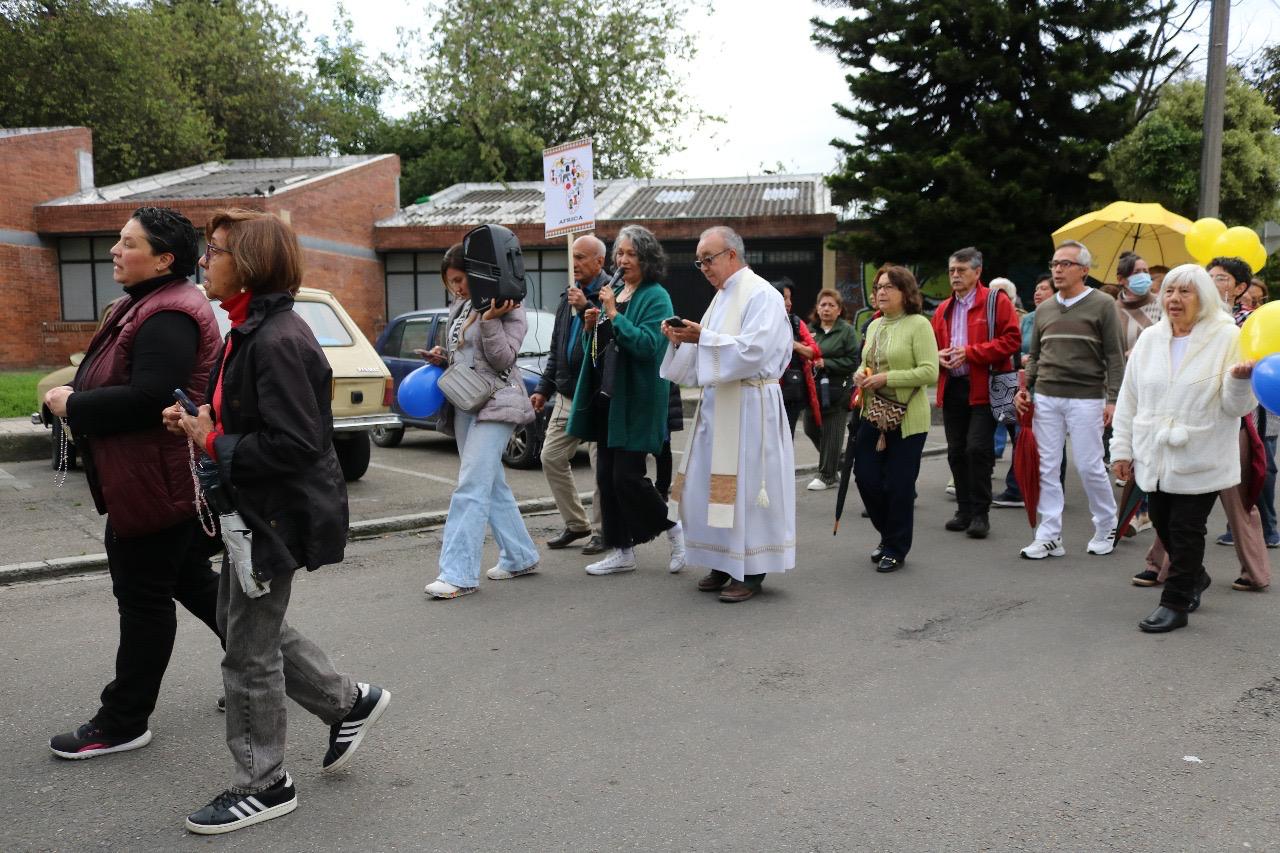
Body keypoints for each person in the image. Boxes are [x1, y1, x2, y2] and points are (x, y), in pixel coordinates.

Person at [169, 209, 389, 833]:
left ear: (251, 264)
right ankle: (347, 701)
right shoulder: (246, 329)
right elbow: (245, 416)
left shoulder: (278, 339)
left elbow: (296, 444)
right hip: (253, 510)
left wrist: (212, 441)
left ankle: (264, 783)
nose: (204, 262)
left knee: (248, 653)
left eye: (215, 251)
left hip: (274, 517)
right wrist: (198, 419)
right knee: (240, 624)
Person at [45, 208, 224, 761]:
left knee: (144, 599)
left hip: (155, 485)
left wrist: (73, 404)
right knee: (195, 585)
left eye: (128, 243)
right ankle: (285, 671)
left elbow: (151, 398)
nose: (114, 251)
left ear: (164, 258)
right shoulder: (146, 301)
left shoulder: (169, 313)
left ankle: (123, 721)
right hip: (153, 479)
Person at [1110, 263, 1256, 632]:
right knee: (1163, 523)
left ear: (1203, 297)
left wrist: (1241, 381)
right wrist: (1121, 450)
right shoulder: (1151, 338)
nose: (1174, 298)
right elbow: (1129, 398)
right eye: (1170, 291)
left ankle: (1174, 603)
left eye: (1185, 291)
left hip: (1202, 454)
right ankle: (1195, 576)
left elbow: (1237, 408)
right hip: (1154, 454)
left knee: (1186, 528)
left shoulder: (1227, 337)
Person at [660, 225, 795, 602]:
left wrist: (702, 338)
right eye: (699, 262)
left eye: (708, 259)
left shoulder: (762, 294)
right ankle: (721, 560)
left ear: (732, 255)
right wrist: (682, 341)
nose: (703, 267)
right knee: (710, 486)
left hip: (751, 406)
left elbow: (754, 351)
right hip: (719, 407)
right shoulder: (721, 298)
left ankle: (750, 571)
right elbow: (707, 353)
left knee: (747, 489)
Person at [420, 243, 541, 598]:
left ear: (477, 274)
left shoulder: (509, 306)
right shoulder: (459, 306)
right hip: (465, 401)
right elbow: (466, 355)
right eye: (450, 282)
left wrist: (489, 321)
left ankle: (457, 574)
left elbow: (503, 359)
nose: (456, 288)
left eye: (460, 279)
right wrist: (443, 356)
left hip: (499, 402)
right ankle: (519, 556)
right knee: (491, 483)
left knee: (471, 484)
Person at [567, 224, 684, 576]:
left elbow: (648, 346)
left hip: (638, 399)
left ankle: (675, 530)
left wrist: (614, 315)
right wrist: (591, 326)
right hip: (609, 398)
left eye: (631, 253)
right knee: (606, 478)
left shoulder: (656, 296)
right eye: (620, 252)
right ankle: (621, 550)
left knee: (627, 478)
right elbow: (601, 348)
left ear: (647, 258)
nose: (623, 259)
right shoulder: (616, 290)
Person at [1015, 240, 1125, 560]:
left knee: (1089, 465)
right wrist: (1026, 388)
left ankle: (1107, 524)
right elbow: (1036, 355)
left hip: (1087, 397)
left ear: (1084, 270)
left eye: (1066, 264)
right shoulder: (1045, 309)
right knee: (1047, 467)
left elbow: (1115, 356)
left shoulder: (1103, 304)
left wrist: (1113, 400)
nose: (1058, 270)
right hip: (1046, 397)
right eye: (1054, 264)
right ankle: (1049, 535)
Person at [852, 265, 939, 571]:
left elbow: (930, 371)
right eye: (878, 287)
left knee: (899, 486)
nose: (881, 292)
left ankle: (895, 548)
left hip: (908, 418)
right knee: (866, 478)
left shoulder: (919, 325)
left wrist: (887, 378)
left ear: (905, 292)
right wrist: (861, 374)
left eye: (889, 287)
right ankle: (888, 535)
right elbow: (866, 362)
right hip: (872, 414)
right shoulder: (874, 325)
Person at [931, 247, 1020, 539]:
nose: (955, 276)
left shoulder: (996, 301)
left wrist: (970, 353)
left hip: (985, 386)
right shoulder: (944, 308)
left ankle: (981, 513)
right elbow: (932, 346)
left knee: (977, 449)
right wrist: (938, 356)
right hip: (953, 387)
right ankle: (964, 510)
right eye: (951, 271)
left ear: (977, 272)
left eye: (961, 270)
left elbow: (1012, 340)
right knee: (956, 452)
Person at [533, 234, 607, 554]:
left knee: (601, 468)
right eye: (572, 256)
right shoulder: (567, 296)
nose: (574, 263)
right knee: (550, 457)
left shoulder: (610, 293)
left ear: (599, 261)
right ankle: (577, 523)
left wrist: (586, 307)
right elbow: (557, 349)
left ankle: (604, 530)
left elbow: (608, 340)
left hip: (597, 396)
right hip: (567, 394)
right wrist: (543, 388)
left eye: (581, 257)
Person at [993, 274, 1057, 509]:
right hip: (1016, 381)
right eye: (1036, 288)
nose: (1037, 292)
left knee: (1037, 438)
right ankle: (1018, 487)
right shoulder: (1028, 319)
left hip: (1047, 385)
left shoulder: (1059, 317)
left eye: (1044, 288)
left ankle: (1027, 488)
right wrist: (1020, 357)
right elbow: (1014, 345)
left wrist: (1034, 360)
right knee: (1017, 434)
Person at [803, 288, 858, 491]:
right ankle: (838, 459)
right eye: (823, 305)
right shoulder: (810, 329)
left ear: (839, 309)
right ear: (817, 308)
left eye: (831, 305)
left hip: (837, 390)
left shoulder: (846, 331)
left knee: (832, 431)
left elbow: (853, 361)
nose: (826, 309)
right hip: (813, 390)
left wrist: (827, 363)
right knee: (810, 427)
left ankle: (827, 475)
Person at [776, 277, 821, 437]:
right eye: (784, 298)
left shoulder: (796, 322)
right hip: (767, 392)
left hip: (791, 392)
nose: (789, 303)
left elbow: (814, 351)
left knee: (787, 437)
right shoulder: (761, 322)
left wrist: (793, 344)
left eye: (790, 298)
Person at [1114, 252, 1160, 356]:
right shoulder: (1112, 310)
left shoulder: (1161, 304)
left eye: (1145, 271)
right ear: (1120, 279)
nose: (1143, 276)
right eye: (1136, 272)